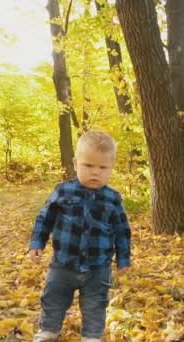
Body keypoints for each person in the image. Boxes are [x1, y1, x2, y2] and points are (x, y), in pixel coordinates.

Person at [29, 131, 132, 342]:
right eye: (88, 166)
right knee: (53, 298)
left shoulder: (113, 198)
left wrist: (123, 258)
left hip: (98, 267)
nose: (95, 172)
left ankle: (92, 337)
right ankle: (48, 331)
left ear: (111, 168)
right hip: (63, 264)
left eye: (103, 168)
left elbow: (122, 231)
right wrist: (37, 242)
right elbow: (45, 217)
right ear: (76, 163)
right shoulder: (63, 191)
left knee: (96, 304)